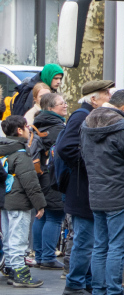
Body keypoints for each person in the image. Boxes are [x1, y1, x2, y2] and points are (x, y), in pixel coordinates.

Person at [54, 79, 114, 295]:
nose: (109, 97)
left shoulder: (86, 115)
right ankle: (74, 284)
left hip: (84, 188)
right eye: (106, 93)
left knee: (90, 239)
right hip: (82, 189)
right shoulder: (81, 116)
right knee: (85, 239)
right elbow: (65, 148)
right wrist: (91, 163)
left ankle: (85, 282)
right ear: (93, 98)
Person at [81, 89, 124, 295]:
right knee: (116, 247)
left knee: (100, 246)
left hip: (96, 193)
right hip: (119, 194)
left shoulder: (86, 124)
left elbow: (83, 156)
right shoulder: (121, 127)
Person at [1, 115, 47, 288]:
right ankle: (21, 273)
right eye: (27, 127)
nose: (30, 130)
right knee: (19, 238)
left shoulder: (4, 150)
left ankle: (12, 268)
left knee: (8, 237)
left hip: (4, 200)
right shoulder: (21, 153)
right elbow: (30, 182)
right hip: (19, 200)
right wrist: (39, 204)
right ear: (19, 130)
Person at [30, 91, 69, 270]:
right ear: (51, 108)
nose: (66, 105)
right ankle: (47, 257)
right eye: (62, 103)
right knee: (55, 215)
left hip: (39, 175)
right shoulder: (58, 128)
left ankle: (39, 255)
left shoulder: (39, 124)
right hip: (52, 176)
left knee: (41, 214)